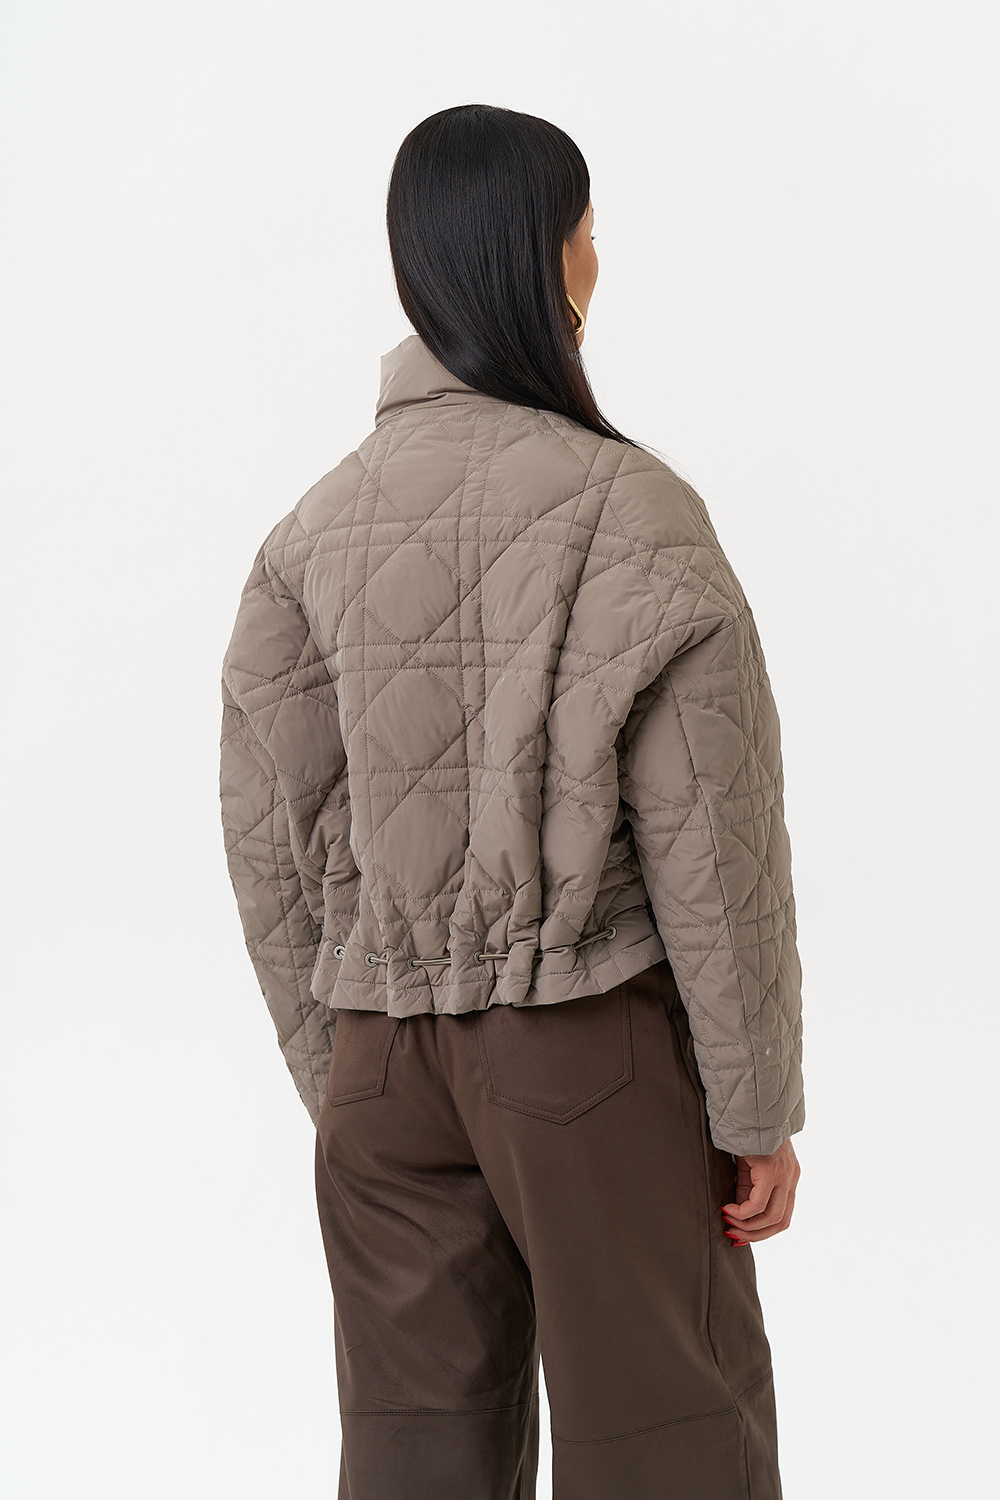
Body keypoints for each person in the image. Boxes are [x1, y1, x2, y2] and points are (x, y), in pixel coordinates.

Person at [219, 102, 805, 1500]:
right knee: (670, 1451)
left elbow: (269, 837)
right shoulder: (630, 510)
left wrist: (343, 1066)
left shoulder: (308, 534)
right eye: (591, 235)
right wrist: (754, 1105)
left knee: (416, 1461)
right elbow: (711, 838)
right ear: (553, 260)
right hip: (584, 1051)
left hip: (381, 1070)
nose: (599, 261)